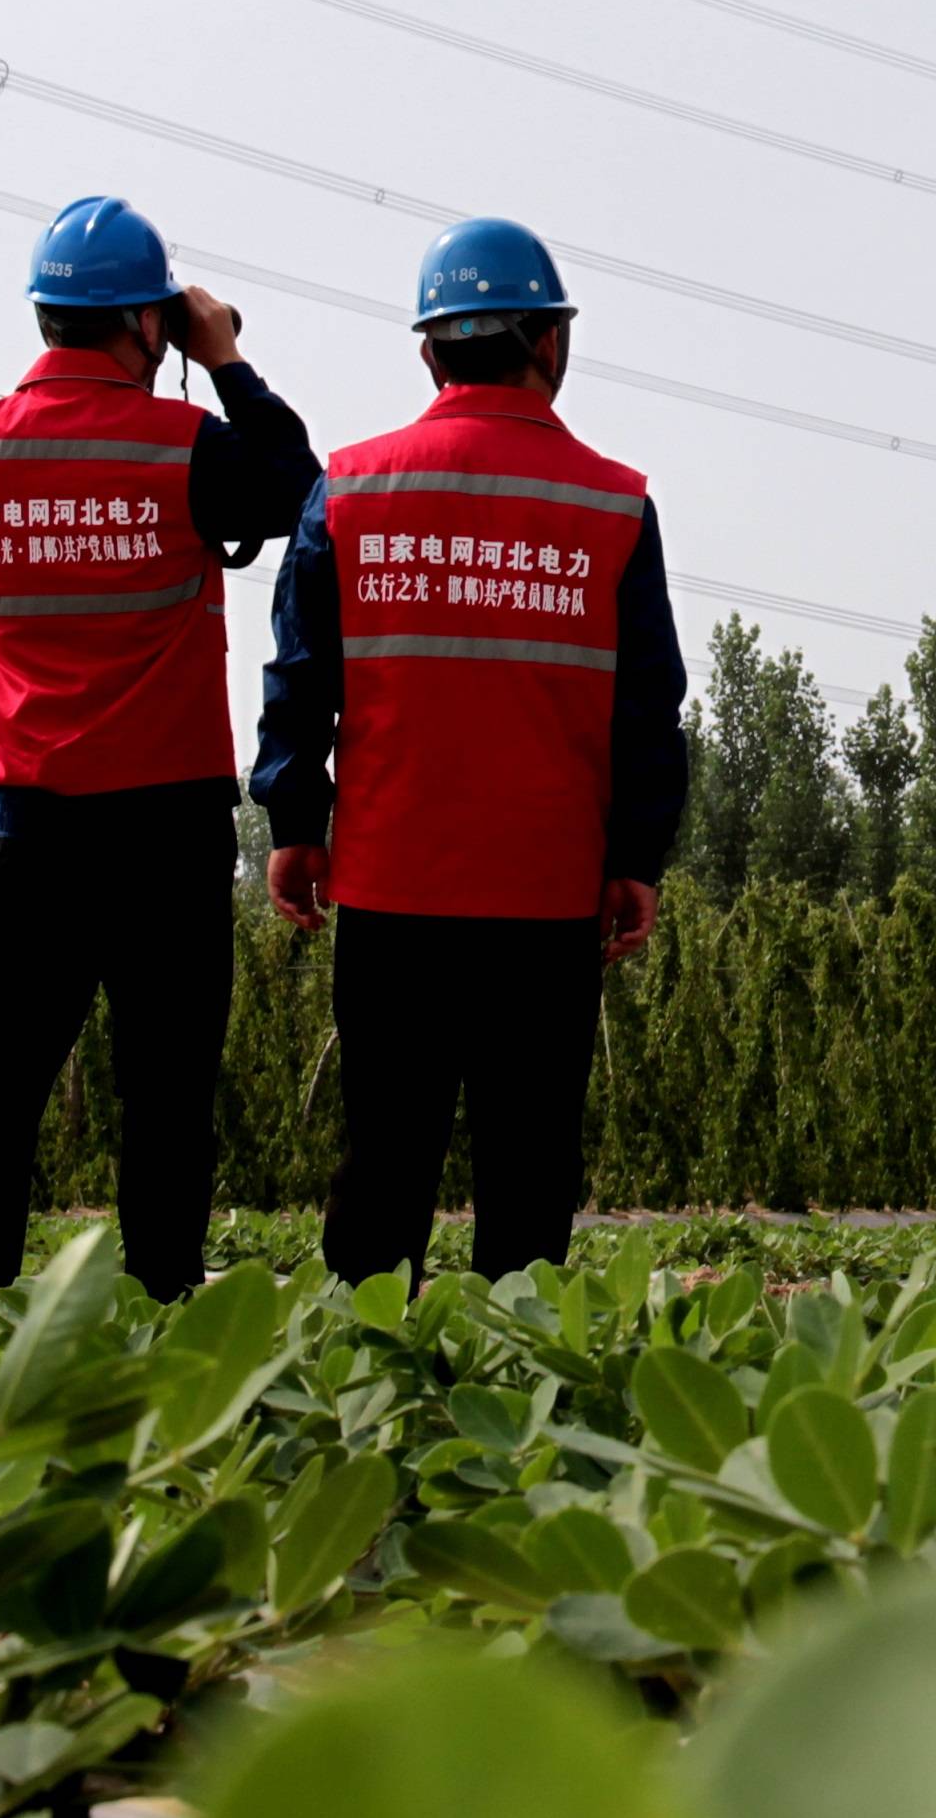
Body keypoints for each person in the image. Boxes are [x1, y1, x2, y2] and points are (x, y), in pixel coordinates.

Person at [251, 216, 690, 1288]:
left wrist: (294, 825)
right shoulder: (612, 501)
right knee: (529, 1163)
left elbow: (300, 675)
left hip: (393, 887)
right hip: (545, 895)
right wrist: (636, 854)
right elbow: (647, 702)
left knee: (386, 1154)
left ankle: (364, 1388)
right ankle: (523, 1397)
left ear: (429, 349)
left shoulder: (350, 490)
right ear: (551, 343)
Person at [0, 195, 319, 1301]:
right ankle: (160, 1289)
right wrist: (227, 357)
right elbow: (297, 487)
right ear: (147, 323)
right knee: (164, 1083)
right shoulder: (187, 445)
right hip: (163, 824)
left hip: (31, 820)